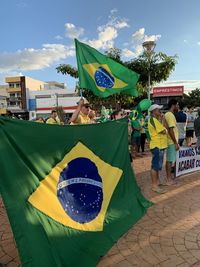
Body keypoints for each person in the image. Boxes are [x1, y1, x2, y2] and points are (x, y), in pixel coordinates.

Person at [148, 104, 168, 193]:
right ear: (153, 112)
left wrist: (161, 120)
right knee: (155, 166)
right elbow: (164, 130)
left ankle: (157, 182)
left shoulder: (155, 120)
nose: (160, 111)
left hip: (159, 145)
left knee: (157, 165)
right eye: (158, 110)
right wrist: (163, 122)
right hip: (157, 146)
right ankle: (154, 186)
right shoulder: (153, 120)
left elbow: (163, 130)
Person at [164, 99, 179, 185]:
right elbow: (170, 130)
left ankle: (168, 178)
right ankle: (168, 180)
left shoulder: (168, 114)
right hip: (171, 142)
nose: (178, 106)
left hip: (170, 141)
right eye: (177, 104)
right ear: (173, 105)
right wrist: (175, 143)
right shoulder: (170, 115)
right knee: (169, 160)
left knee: (169, 160)